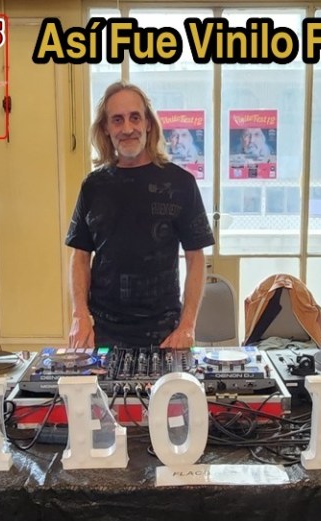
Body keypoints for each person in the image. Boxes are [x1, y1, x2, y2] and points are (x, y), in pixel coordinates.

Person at [66, 82, 215, 349]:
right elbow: (80, 256)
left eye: (135, 117)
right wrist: (80, 316)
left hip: (165, 335)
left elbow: (196, 258)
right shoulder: (93, 186)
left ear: (148, 124)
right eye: (117, 120)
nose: (127, 129)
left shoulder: (181, 183)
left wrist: (187, 326)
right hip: (102, 333)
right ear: (106, 128)